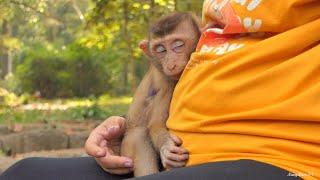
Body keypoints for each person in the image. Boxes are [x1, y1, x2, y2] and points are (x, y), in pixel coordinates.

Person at [1, 0, 319, 179]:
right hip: (173, 161)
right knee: (24, 174)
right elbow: (143, 119)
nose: (170, 59)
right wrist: (123, 130)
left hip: (277, 157)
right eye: (160, 50)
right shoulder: (182, 52)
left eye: (178, 45)